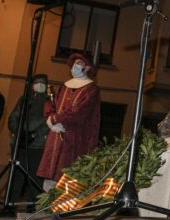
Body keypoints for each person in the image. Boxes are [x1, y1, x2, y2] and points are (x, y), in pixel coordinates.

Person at [37, 53, 101, 187]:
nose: (74, 66)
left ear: (88, 68)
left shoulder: (91, 89)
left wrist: (56, 119)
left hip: (74, 140)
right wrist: (50, 119)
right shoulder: (64, 86)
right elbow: (53, 104)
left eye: (79, 63)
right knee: (49, 182)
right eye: (74, 63)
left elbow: (79, 113)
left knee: (66, 181)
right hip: (55, 138)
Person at [6, 74, 50, 210]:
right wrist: (20, 132)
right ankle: (9, 206)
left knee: (35, 177)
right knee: (16, 176)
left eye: (43, 83)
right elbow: (13, 117)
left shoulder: (49, 102)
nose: (39, 85)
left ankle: (32, 207)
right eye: (37, 82)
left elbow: (48, 122)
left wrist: (34, 134)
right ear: (32, 85)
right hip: (19, 144)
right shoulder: (24, 99)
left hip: (37, 146)